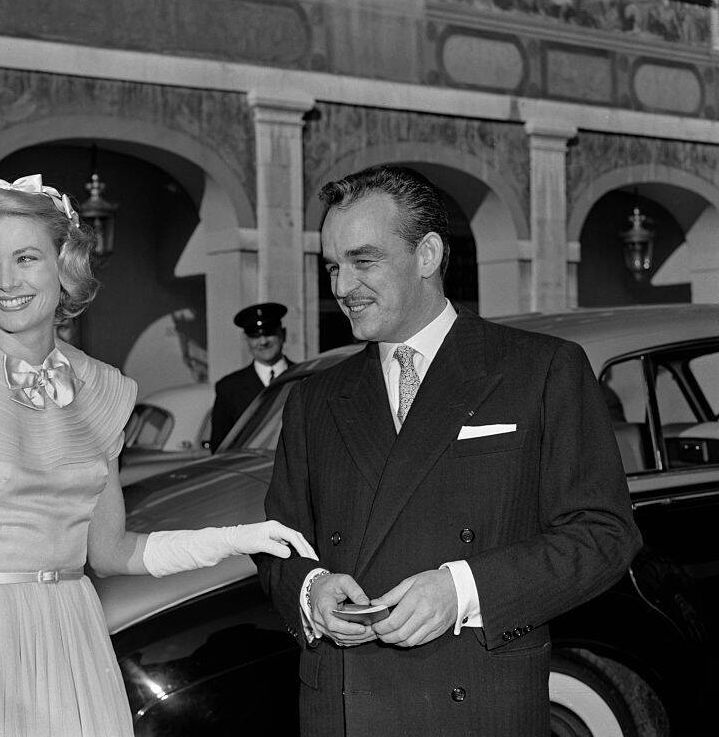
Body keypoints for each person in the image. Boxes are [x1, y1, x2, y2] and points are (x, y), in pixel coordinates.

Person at [0, 174, 314, 737]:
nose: (5, 281)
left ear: (64, 265)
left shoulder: (102, 388)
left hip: (76, 637)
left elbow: (112, 552)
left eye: (26, 258)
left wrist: (235, 539)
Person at [255, 165, 642, 736]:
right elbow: (278, 546)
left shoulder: (540, 369)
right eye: (333, 266)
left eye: (364, 261)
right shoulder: (314, 400)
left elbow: (604, 535)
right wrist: (311, 591)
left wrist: (462, 590)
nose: (341, 287)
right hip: (343, 708)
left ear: (428, 255)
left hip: (476, 704)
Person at [208, 302, 293, 451]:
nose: (263, 342)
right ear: (246, 339)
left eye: (269, 333)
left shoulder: (306, 378)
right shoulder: (229, 388)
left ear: (283, 334)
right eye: (255, 336)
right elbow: (219, 448)